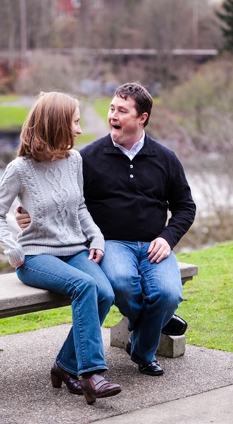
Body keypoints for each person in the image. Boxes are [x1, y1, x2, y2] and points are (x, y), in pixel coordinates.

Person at [18, 81, 196, 377]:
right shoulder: (87, 158)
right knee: (122, 284)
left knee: (166, 294)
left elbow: (185, 207)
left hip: (155, 244)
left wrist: (168, 237)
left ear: (142, 118)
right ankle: (158, 323)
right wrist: (29, 213)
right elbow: (60, 198)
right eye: (112, 108)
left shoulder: (166, 158)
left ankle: (140, 350)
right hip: (110, 243)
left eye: (122, 111)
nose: (113, 115)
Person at [0, 91, 121, 405]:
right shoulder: (20, 169)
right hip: (35, 255)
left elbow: (80, 207)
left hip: (75, 249)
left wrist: (96, 237)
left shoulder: (74, 160)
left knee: (106, 292)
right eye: (74, 122)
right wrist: (11, 249)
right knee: (85, 286)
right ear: (56, 124)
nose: (78, 129)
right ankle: (91, 375)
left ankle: (64, 365)